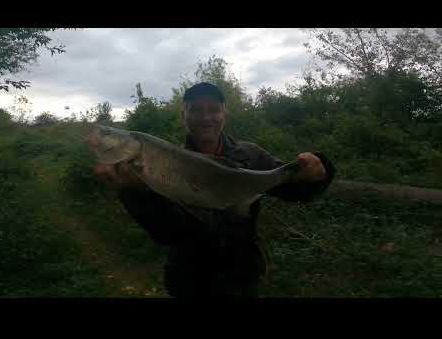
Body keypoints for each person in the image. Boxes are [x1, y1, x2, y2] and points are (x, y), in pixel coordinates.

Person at [93, 82, 336, 298]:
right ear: (183, 115)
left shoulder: (251, 155)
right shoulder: (159, 164)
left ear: (224, 113)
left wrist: (318, 171)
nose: (205, 117)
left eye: (213, 109)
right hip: (188, 279)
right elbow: (165, 232)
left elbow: (294, 190)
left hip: (243, 276)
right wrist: (134, 193)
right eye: (195, 110)